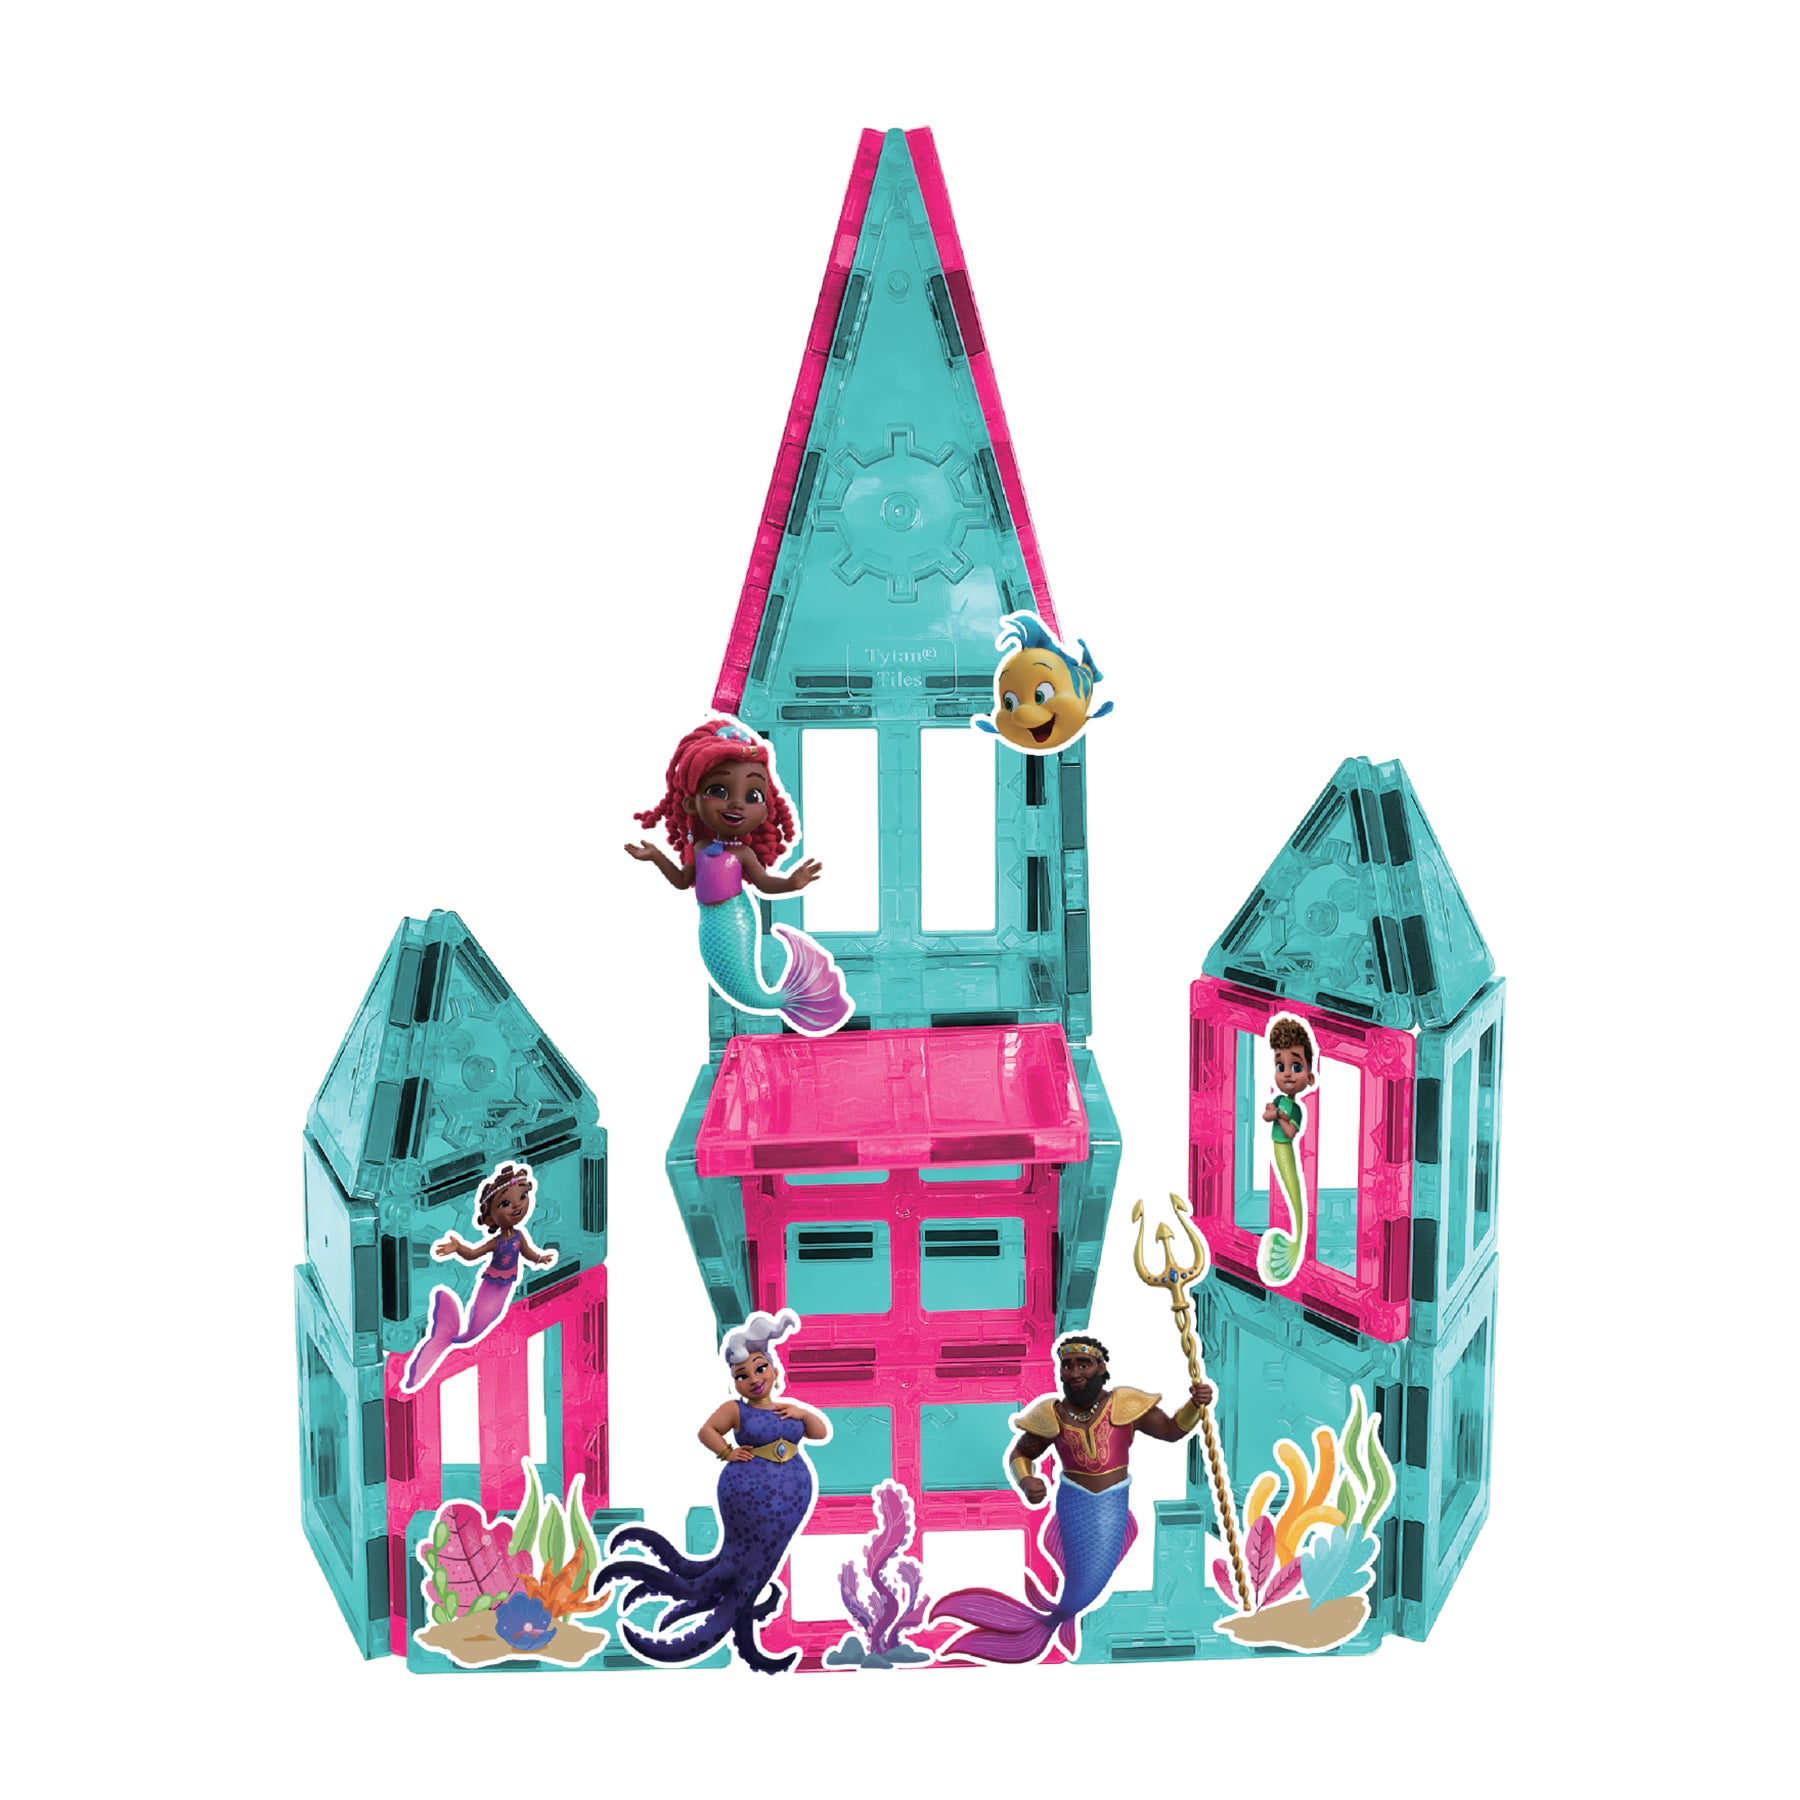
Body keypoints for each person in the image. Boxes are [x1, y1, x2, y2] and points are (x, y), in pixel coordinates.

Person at [929, 1335, 1213, 1663]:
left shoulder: (1125, 1405)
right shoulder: (1052, 1415)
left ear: (1101, 1368)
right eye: (1067, 1366)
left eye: (1084, 1364)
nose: (1075, 1373)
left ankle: (1057, 1617)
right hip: (1074, 1506)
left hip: (1112, 1507)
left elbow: (1172, 1431)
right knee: (1080, 1576)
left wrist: (1194, 1406)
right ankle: (1051, 1619)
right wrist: (1027, 1480)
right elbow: (1021, 1454)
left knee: (1095, 1574)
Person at [596, 1308, 830, 1674]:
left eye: (759, 1369)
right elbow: (707, 1431)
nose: (753, 1379)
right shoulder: (735, 1409)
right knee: (741, 1561)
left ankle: (744, 1602)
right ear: (735, 1382)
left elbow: (819, 1433)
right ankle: (733, 1606)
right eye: (742, 1375)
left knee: (757, 1567)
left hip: (788, 1505)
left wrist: (801, 1413)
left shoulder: (788, 1411)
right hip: (749, 1496)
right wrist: (726, 1452)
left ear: (773, 1369)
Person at [626, 717, 853, 1035]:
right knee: (725, 973)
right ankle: (781, 997)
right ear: (691, 803)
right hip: (709, 924)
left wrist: (791, 883)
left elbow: (764, 883)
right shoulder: (699, 847)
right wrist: (655, 857)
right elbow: (682, 881)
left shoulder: (741, 853)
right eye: (718, 790)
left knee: (741, 977)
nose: (736, 803)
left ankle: (787, 997)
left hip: (736, 918)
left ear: (766, 809)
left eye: (753, 796)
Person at [400, 1163, 555, 1394]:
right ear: (491, 1215)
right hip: (491, 1284)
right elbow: (473, 1254)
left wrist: (540, 1258)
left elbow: (529, 1253)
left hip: (506, 1287)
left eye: (522, 1197)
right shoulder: (497, 1241)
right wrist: (457, 1247)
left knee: (490, 1319)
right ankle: (447, 1336)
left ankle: (453, 1335)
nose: (517, 1206)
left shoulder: (518, 1236)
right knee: (481, 1321)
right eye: (505, 1203)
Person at [1258, 1015, 1317, 1286]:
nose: (1287, 1074)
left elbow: (1291, 1132)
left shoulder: (1294, 1108)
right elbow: (1267, 1115)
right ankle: (1296, 1233)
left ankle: (1298, 1235)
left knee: (1293, 1188)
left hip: (1285, 1149)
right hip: (1277, 1147)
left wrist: (1279, 1115)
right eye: (1280, 1066)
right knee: (1288, 1186)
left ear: (1310, 1077)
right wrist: (1273, 1113)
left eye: (1296, 1066)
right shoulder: (1279, 1098)